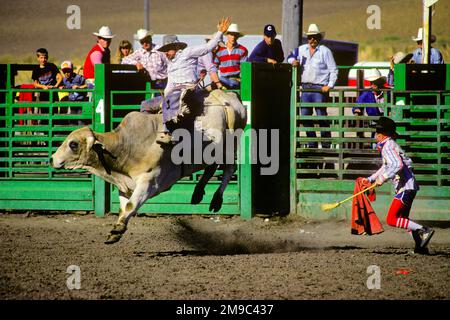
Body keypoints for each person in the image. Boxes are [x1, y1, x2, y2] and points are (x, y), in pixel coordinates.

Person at [361, 116, 434, 254]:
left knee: (391, 219)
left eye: (377, 132)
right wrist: (371, 179)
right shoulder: (389, 145)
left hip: (405, 187)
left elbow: (397, 165)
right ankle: (420, 246)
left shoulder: (387, 146)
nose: (376, 135)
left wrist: (382, 179)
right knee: (403, 219)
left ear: (383, 134)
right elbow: (386, 166)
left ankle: (424, 230)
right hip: (408, 186)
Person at [156, 17, 232, 144]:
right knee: (147, 104)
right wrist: (165, 94)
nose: (165, 53)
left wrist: (219, 33)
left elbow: (208, 47)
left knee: (173, 98)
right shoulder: (170, 64)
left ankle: (169, 132)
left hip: (188, 89)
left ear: (175, 47)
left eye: (167, 49)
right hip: (175, 92)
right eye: (164, 51)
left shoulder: (188, 52)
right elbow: (170, 83)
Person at [287, 23, 338, 148]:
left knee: (321, 116)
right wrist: (292, 61)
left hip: (319, 88)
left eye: (314, 37)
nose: (312, 40)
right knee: (305, 117)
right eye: (310, 37)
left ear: (319, 38)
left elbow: (334, 69)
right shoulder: (301, 49)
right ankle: (312, 142)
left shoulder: (325, 51)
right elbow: (290, 56)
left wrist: (329, 85)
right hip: (305, 87)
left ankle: (326, 143)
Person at [214, 23, 248, 90]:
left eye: (235, 35)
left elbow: (244, 69)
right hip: (223, 80)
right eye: (231, 34)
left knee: (223, 81)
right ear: (227, 35)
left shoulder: (243, 50)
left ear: (238, 36)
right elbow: (214, 68)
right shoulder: (219, 50)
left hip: (236, 80)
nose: (233, 37)